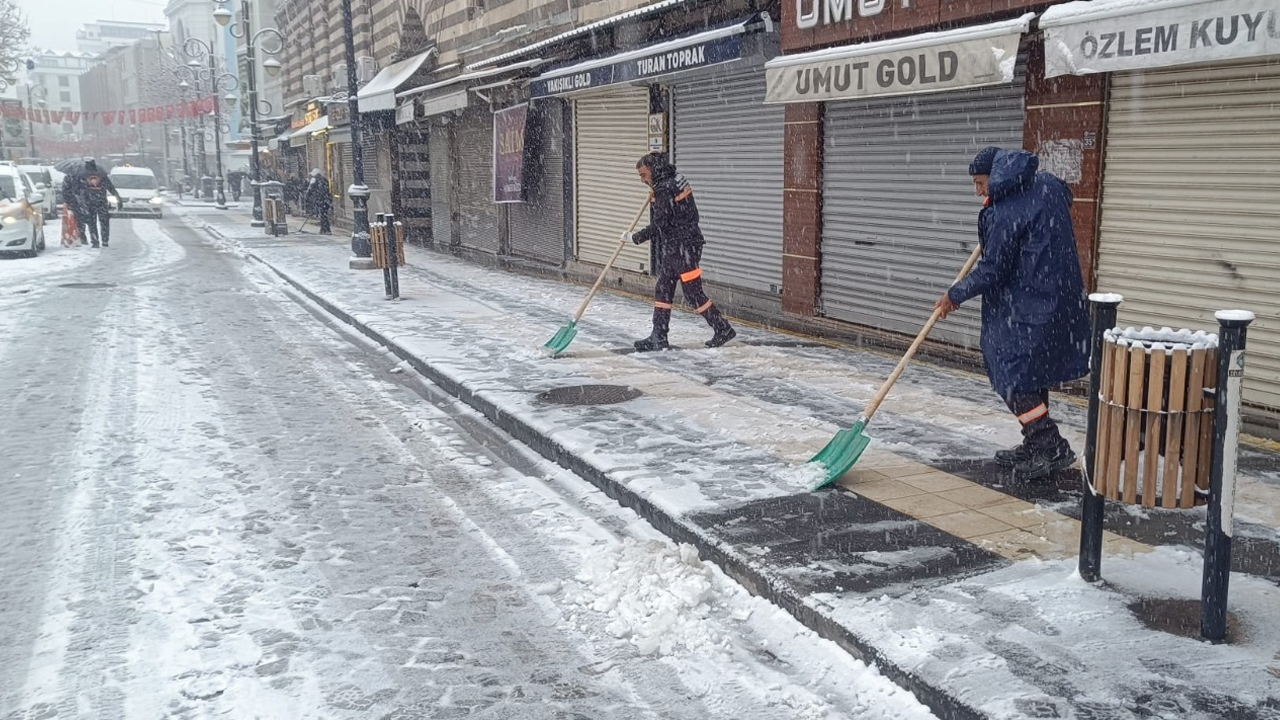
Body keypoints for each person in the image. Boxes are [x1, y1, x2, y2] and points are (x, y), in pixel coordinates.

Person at [935, 146, 1090, 480]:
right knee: (1031, 370)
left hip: (1028, 300)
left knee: (1009, 369)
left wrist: (954, 295)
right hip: (1059, 296)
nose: (978, 192)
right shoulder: (1045, 185)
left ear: (997, 175)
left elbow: (993, 270)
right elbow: (1067, 196)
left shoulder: (1007, 212)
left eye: (980, 183)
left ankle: (1049, 444)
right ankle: (1036, 442)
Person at [623, 152, 736, 351]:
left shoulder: (665, 188)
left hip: (684, 247)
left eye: (643, 175)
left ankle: (722, 328)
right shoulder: (674, 179)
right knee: (663, 288)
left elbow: (660, 225)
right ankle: (658, 336)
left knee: (692, 293)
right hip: (680, 246)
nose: (642, 180)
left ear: (654, 170)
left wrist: (635, 237)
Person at [63, 157, 120, 249]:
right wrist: (117, 197)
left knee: (92, 222)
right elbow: (110, 187)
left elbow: (76, 189)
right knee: (104, 222)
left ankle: (95, 241)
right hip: (102, 201)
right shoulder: (101, 173)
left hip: (89, 202)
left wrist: (79, 197)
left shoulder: (81, 174)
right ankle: (105, 240)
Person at [304, 169, 331, 234]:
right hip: (325, 200)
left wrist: (307, 197)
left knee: (322, 215)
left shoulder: (314, 180)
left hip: (320, 200)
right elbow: (327, 190)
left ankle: (324, 229)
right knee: (325, 215)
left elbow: (310, 190)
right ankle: (326, 229)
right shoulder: (325, 180)